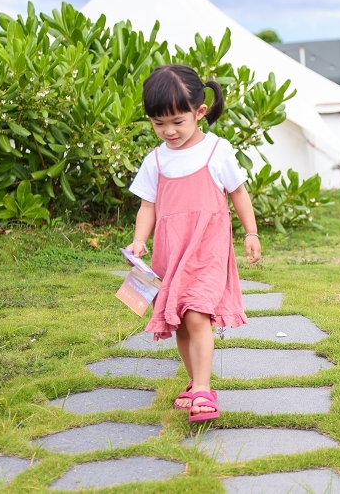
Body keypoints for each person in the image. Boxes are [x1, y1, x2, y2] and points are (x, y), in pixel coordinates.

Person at [124, 64, 261, 423]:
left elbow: (239, 193)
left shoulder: (217, 151)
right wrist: (140, 241)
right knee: (182, 321)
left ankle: (203, 389)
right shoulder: (155, 160)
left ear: (199, 112)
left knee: (198, 314)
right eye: (158, 123)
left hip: (207, 250)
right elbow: (148, 206)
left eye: (177, 122)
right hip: (171, 253)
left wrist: (251, 232)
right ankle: (194, 382)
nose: (168, 131)